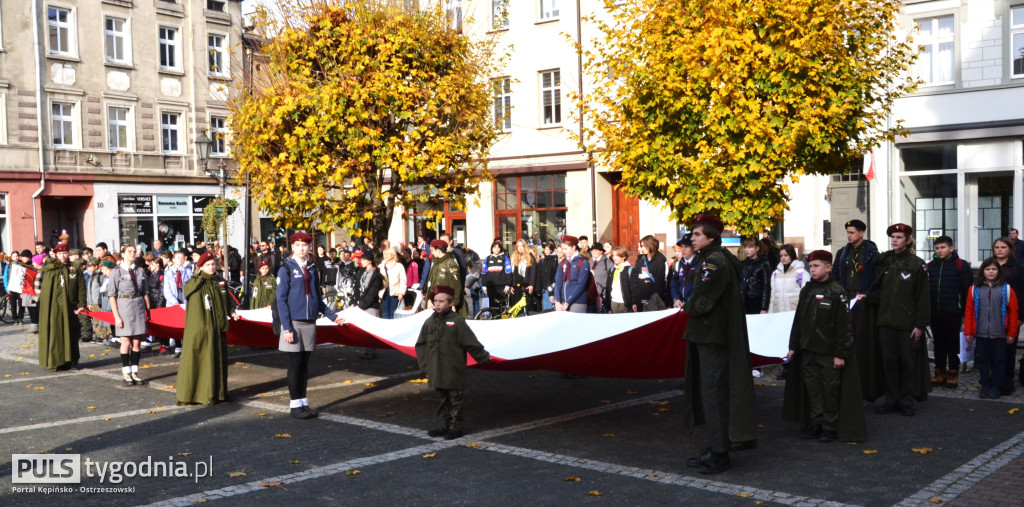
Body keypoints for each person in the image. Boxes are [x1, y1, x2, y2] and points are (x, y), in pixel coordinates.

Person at [681, 214, 757, 474]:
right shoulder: (714, 259)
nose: (692, 238)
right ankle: (715, 447)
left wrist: (686, 307)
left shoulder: (714, 262)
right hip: (711, 335)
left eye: (697, 234)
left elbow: (703, 301)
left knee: (714, 394)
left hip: (712, 336)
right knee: (710, 393)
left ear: (711, 237)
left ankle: (720, 453)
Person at [782, 250, 866, 442]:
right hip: (808, 349)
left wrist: (840, 353)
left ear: (828, 268)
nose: (812, 269)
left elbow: (845, 326)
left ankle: (829, 426)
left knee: (830, 389)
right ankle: (816, 423)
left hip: (828, 352)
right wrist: (794, 346)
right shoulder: (807, 290)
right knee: (812, 389)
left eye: (817, 266)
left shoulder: (837, 292)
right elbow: (799, 321)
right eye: (810, 266)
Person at [276, 232, 346, 419]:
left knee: (305, 364)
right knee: (295, 363)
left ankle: (303, 402)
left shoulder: (313, 269)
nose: (301, 248)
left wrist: (332, 316)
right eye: (298, 245)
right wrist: (287, 327)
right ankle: (294, 405)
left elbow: (317, 298)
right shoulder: (286, 269)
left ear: (309, 248)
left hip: (309, 322)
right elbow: (281, 300)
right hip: (294, 322)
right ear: (293, 247)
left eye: (305, 245)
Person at [867, 223, 930, 416]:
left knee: (907, 363)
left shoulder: (916, 264)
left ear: (908, 240)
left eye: (899, 237)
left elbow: (923, 297)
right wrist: (866, 297)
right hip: (886, 322)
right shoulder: (886, 263)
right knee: (889, 363)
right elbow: (880, 292)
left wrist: (920, 325)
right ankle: (891, 399)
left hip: (906, 324)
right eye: (893, 237)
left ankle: (906, 401)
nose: (895, 240)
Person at [415, 285, 491, 440]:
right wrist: (425, 366)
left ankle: (456, 427)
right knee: (441, 399)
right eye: (435, 301)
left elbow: (471, 342)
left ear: (450, 303)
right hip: (436, 368)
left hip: (453, 368)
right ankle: (443, 425)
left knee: (455, 400)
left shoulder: (457, 322)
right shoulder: (429, 322)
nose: (437, 304)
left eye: (441, 301)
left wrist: (483, 358)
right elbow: (421, 345)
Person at [176, 251, 239, 405]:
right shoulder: (195, 283)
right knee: (202, 361)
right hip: (202, 329)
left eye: (213, 264)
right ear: (201, 267)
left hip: (217, 327)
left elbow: (226, 300)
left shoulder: (219, 281)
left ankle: (219, 392)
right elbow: (191, 300)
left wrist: (231, 312)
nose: (211, 267)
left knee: (218, 359)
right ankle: (201, 394)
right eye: (208, 265)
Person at [964, 258, 1019, 399]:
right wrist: (968, 331)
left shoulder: (1006, 289)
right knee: (983, 362)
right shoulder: (974, 289)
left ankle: (995, 387)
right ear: (983, 271)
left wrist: (1012, 333)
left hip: (1000, 334)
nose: (990, 272)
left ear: (998, 271)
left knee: (999, 362)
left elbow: (1013, 312)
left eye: (994, 269)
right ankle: (985, 385)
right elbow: (969, 312)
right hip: (981, 334)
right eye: (988, 269)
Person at [926, 236, 972, 389]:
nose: (939, 251)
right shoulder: (931, 265)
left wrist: (966, 313)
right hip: (935, 311)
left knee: (952, 343)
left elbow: (967, 291)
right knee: (938, 342)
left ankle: (953, 372)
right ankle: (939, 372)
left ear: (951, 248)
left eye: (942, 248)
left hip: (953, 311)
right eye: (937, 248)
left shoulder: (961, 265)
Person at [38, 243, 87, 371]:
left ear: (69, 254)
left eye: (65, 253)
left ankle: (73, 360)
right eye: (60, 254)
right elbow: (47, 290)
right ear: (56, 254)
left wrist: (82, 304)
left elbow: (81, 288)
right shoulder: (51, 269)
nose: (63, 256)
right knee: (57, 333)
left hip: (71, 306)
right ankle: (59, 360)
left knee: (72, 334)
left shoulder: (75, 268)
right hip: (55, 308)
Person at [109, 245, 152, 385]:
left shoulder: (140, 271)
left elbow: (145, 292)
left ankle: (135, 372)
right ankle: (126, 373)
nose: (133, 254)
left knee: (137, 342)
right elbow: (112, 295)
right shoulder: (116, 272)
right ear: (123, 254)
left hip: (138, 307)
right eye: (130, 252)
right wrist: (116, 316)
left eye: (134, 252)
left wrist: (148, 310)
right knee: (125, 341)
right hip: (124, 306)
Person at [991, 237, 1024, 393]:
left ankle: (1007, 379)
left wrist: (1020, 317)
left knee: (1009, 348)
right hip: (991, 313)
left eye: (1003, 247)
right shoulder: (990, 265)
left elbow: (1022, 293)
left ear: (1010, 249)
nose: (999, 250)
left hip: (1012, 314)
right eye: (997, 247)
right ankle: (994, 378)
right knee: (992, 347)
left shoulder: (1018, 267)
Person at [423, 239, 467, 316]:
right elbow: (432, 284)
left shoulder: (450, 265)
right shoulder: (436, 263)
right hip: (435, 304)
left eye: (432, 250)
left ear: (439, 250)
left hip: (446, 305)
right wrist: (429, 299)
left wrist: (453, 303)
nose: (431, 252)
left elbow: (456, 287)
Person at [354, 249, 384, 359]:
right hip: (361, 303)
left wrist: (361, 304)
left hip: (370, 305)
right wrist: (354, 301)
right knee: (364, 329)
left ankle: (372, 351)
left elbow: (372, 292)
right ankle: (367, 349)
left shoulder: (376, 274)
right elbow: (357, 287)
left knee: (371, 329)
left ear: (369, 261)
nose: (362, 260)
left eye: (364, 259)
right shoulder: (362, 271)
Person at [162, 250, 193, 357]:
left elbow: (191, 286)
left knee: (185, 324)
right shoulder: (168, 272)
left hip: (184, 299)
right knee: (175, 325)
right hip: (173, 301)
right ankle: (178, 346)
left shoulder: (188, 271)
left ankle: (187, 346)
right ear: (173, 259)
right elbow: (167, 290)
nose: (180, 260)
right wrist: (174, 301)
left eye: (182, 258)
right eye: (178, 258)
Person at [630, 235, 668, 312]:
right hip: (640, 300)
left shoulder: (659, 261)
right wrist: (635, 301)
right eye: (641, 246)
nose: (641, 248)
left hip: (653, 301)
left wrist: (655, 300)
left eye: (643, 246)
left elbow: (659, 283)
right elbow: (635, 281)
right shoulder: (641, 260)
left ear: (649, 245)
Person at [553, 236, 591, 313]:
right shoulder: (563, 262)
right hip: (563, 301)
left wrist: (568, 302)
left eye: (566, 249)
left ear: (573, 247)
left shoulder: (582, 262)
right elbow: (558, 282)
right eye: (562, 249)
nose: (564, 251)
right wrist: (557, 301)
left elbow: (581, 285)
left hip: (578, 301)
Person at [768, 244, 806, 313]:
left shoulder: (801, 272)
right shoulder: (775, 273)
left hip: (795, 312)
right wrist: (770, 313)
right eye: (781, 256)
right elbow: (772, 295)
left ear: (792, 255)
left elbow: (806, 295)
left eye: (786, 255)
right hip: (778, 313)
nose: (783, 258)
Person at [740, 238, 771, 315]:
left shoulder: (763, 264)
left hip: (756, 301)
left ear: (757, 248)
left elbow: (766, 287)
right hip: (743, 300)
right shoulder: (742, 264)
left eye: (750, 247)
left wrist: (764, 307)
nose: (747, 250)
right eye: (745, 247)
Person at [669, 235, 698, 307]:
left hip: (694, 305)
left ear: (693, 248)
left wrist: (691, 301)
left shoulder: (700, 263)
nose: (683, 250)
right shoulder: (679, 263)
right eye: (682, 247)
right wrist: (676, 298)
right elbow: (674, 283)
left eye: (686, 247)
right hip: (681, 304)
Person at [509, 239, 538, 312]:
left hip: (526, 286)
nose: (520, 248)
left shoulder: (530, 257)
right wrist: (511, 285)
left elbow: (533, 272)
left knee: (527, 308)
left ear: (525, 246)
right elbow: (512, 273)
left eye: (522, 246)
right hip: (516, 287)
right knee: (516, 309)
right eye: (518, 246)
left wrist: (532, 284)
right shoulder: (514, 257)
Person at [480, 240, 511, 308]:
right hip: (491, 287)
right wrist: (484, 285)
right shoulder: (487, 259)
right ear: (492, 249)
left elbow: (508, 272)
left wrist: (508, 285)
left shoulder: (504, 258)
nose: (496, 249)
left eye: (498, 247)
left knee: (502, 306)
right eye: (495, 247)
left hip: (502, 286)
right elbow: (483, 273)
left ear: (500, 249)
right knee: (492, 306)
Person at [380, 247, 407, 320]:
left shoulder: (399, 266)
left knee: (393, 313)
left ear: (392, 255)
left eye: (388, 254)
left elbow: (403, 280)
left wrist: (401, 292)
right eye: (385, 254)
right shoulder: (381, 266)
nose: (386, 256)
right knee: (385, 313)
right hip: (384, 292)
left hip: (395, 292)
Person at [5, 249, 30, 325]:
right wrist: (7, 289)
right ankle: (15, 319)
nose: (15, 257)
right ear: (11, 257)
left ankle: (20, 318)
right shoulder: (8, 266)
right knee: (13, 305)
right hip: (11, 288)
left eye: (16, 256)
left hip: (20, 288)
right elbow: (6, 278)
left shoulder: (22, 265)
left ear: (19, 257)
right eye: (13, 256)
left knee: (21, 304)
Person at [606, 246, 633, 314]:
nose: (614, 258)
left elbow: (633, 288)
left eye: (617, 255)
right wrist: (608, 305)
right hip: (613, 301)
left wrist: (632, 303)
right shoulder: (612, 270)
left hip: (624, 302)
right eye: (613, 255)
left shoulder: (629, 270)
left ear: (623, 256)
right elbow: (608, 287)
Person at [589, 243, 613, 313]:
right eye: (592, 250)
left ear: (601, 251)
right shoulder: (588, 261)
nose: (594, 252)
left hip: (603, 294)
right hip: (590, 294)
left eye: (596, 250)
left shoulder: (607, 262)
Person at [537, 241, 559, 311]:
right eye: (545, 249)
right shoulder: (542, 260)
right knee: (546, 308)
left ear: (551, 250)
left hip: (551, 287)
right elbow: (540, 275)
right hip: (544, 288)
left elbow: (554, 276)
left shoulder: (554, 260)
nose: (546, 251)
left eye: (548, 249)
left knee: (550, 308)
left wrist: (551, 290)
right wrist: (538, 288)